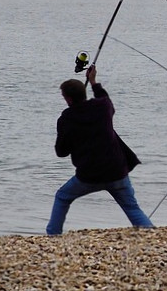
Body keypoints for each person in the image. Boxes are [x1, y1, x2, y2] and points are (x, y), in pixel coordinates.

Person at [46, 64, 154, 233]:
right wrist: (94, 82)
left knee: (62, 197)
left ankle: (53, 236)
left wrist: (65, 132)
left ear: (68, 99)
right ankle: (151, 234)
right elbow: (105, 99)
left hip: (89, 176)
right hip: (116, 170)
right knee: (132, 208)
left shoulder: (66, 118)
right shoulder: (102, 107)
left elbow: (61, 152)